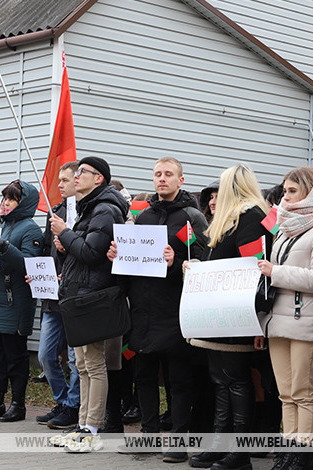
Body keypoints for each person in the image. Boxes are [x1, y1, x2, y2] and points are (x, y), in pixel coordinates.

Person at [109, 157, 208, 463]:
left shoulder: (192, 218)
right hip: (143, 309)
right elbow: (132, 263)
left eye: (168, 174)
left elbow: (204, 264)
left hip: (175, 310)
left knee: (179, 380)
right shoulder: (144, 217)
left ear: (181, 180)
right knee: (145, 377)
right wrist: (118, 255)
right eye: (157, 174)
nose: (161, 179)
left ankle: (178, 440)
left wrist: (174, 263)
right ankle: (148, 436)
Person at [186, 164, 272, 470]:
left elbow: (254, 266)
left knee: (235, 381)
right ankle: (221, 445)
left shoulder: (249, 218)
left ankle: (239, 453)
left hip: (237, 314)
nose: (214, 197)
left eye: (221, 189)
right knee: (220, 380)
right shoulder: (231, 220)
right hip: (222, 314)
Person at [255, 167, 313, 470]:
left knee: (304, 393)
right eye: (285, 191)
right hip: (279, 320)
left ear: (310, 192)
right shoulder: (286, 229)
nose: (286, 197)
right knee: (285, 394)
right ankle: (288, 453)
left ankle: (303, 456)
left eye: (293, 191)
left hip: (309, 322)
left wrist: (274, 272)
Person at [49, 156, 127, 452]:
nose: (76, 176)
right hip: (79, 294)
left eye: (83, 172)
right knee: (81, 364)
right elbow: (78, 253)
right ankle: (82, 425)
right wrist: (64, 243)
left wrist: (65, 234)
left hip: (93, 297)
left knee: (94, 365)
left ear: (99, 179)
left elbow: (93, 254)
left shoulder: (104, 209)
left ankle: (92, 428)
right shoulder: (89, 209)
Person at [0, 180, 43, 423]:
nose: (5, 203)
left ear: (23, 203)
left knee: (15, 358)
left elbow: (31, 265)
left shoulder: (30, 229)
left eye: (12, 199)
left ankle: (18, 404)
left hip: (13, 303)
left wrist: (6, 248)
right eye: (4, 198)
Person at [36, 160, 81, 430]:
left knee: (76, 358)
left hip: (74, 295)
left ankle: (74, 406)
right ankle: (62, 400)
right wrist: (38, 273)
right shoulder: (55, 212)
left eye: (65, 180)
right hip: (52, 296)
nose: (60, 185)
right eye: (59, 180)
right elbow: (45, 250)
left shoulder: (85, 213)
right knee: (45, 354)